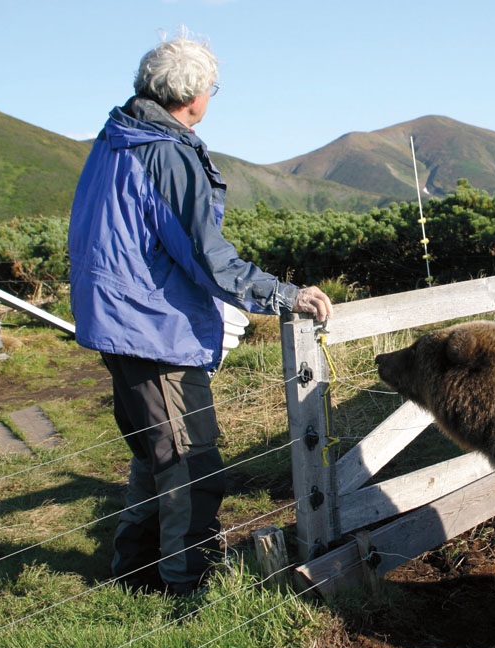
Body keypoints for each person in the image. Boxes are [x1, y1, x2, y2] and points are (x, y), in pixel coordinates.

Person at [67, 31, 332, 596]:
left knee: (154, 453)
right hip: (150, 327)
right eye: (214, 87)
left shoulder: (117, 139)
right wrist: (282, 295)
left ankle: (134, 576)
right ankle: (188, 587)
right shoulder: (164, 151)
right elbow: (205, 254)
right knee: (191, 460)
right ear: (192, 96)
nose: (213, 97)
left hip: (118, 319)